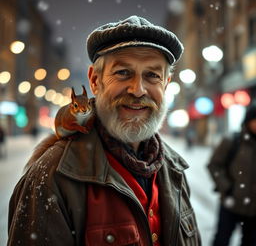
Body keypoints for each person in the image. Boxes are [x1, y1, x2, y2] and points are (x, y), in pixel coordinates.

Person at [8, 15, 201, 245]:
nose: (138, 90)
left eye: (152, 75)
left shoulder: (173, 169)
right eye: (123, 73)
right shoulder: (53, 176)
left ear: (166, 84)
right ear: (95, 80)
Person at [208, 102, 256, 246]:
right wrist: (227, 188)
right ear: (248, 121)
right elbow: (214, 166)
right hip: (231, 203)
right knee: (222, 240)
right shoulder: (232, 140)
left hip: (254, 208)